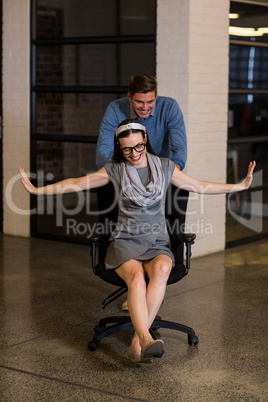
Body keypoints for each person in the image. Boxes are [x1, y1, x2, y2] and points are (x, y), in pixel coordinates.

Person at [18, 119, 256, 363]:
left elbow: (199, 186)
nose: (134, 154)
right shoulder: (114, 169)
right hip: (125, 242)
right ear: (119, 148)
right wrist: (38, 190)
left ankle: (136, 344)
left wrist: (239, 186)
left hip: (156, 242)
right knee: (136, 279)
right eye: (127, 149)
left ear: (145, 142)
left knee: (163, 268)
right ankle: (144, 338)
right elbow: (75, 184)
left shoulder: (164, 167)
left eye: (139, 146)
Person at [96, 72, 188, 311]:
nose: (145, 108)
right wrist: (129, 175)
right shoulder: (115, 109)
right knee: (131, 232)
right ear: (129, 97)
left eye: (150, 102)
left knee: (156, 233)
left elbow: (178, 153)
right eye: (139, 102)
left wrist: (159, 175)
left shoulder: (170, 107)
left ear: (156, 97)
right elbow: (103, 153)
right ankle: (138, 287)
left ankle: (145, 290)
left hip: (160, 180)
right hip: (125, 178)